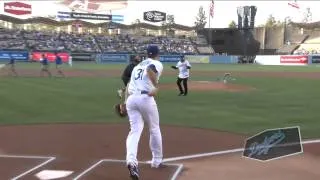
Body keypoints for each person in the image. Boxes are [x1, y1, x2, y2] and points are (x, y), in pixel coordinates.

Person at [125, 45, 164, 180]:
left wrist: (125, 103)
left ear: (147, 54)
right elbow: (150, 70)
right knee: (154, 128)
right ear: (157, 54)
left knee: (134, 131)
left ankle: (131, 161)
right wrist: (156, 86)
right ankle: (156, 161)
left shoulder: (137, 66)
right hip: (145, 98)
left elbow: (128, 85)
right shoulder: (156, 63)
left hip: (132, 99)